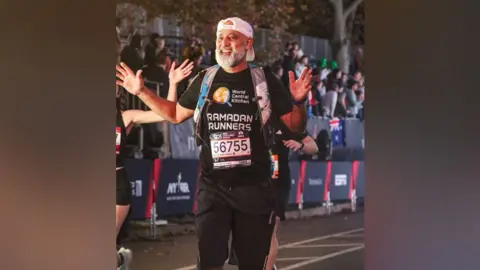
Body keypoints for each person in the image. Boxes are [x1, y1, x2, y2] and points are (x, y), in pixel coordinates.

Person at [116, 17, 312, 270]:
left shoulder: (264, 80)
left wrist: (299, 102)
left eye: (232, 37)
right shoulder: (205, 79)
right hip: (213, 189)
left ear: (248, 42)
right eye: (220, 38)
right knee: (208, 262)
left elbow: (296, 126)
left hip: (254, 189)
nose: (224, 43)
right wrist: (142, 92)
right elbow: (175, 115)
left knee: (252, 263)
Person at [115, 30, 194, 270]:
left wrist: (172, 84)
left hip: (116, 185)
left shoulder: (126, 117)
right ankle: (119, 259)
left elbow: (168, 115)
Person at [228, 122, 319, 270]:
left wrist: (300, 145)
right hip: (251, 183)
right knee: (248, 231)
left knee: (269, 231)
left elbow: (314, 147)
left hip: (277, 184)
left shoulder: (286, 122)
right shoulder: (249, 118)